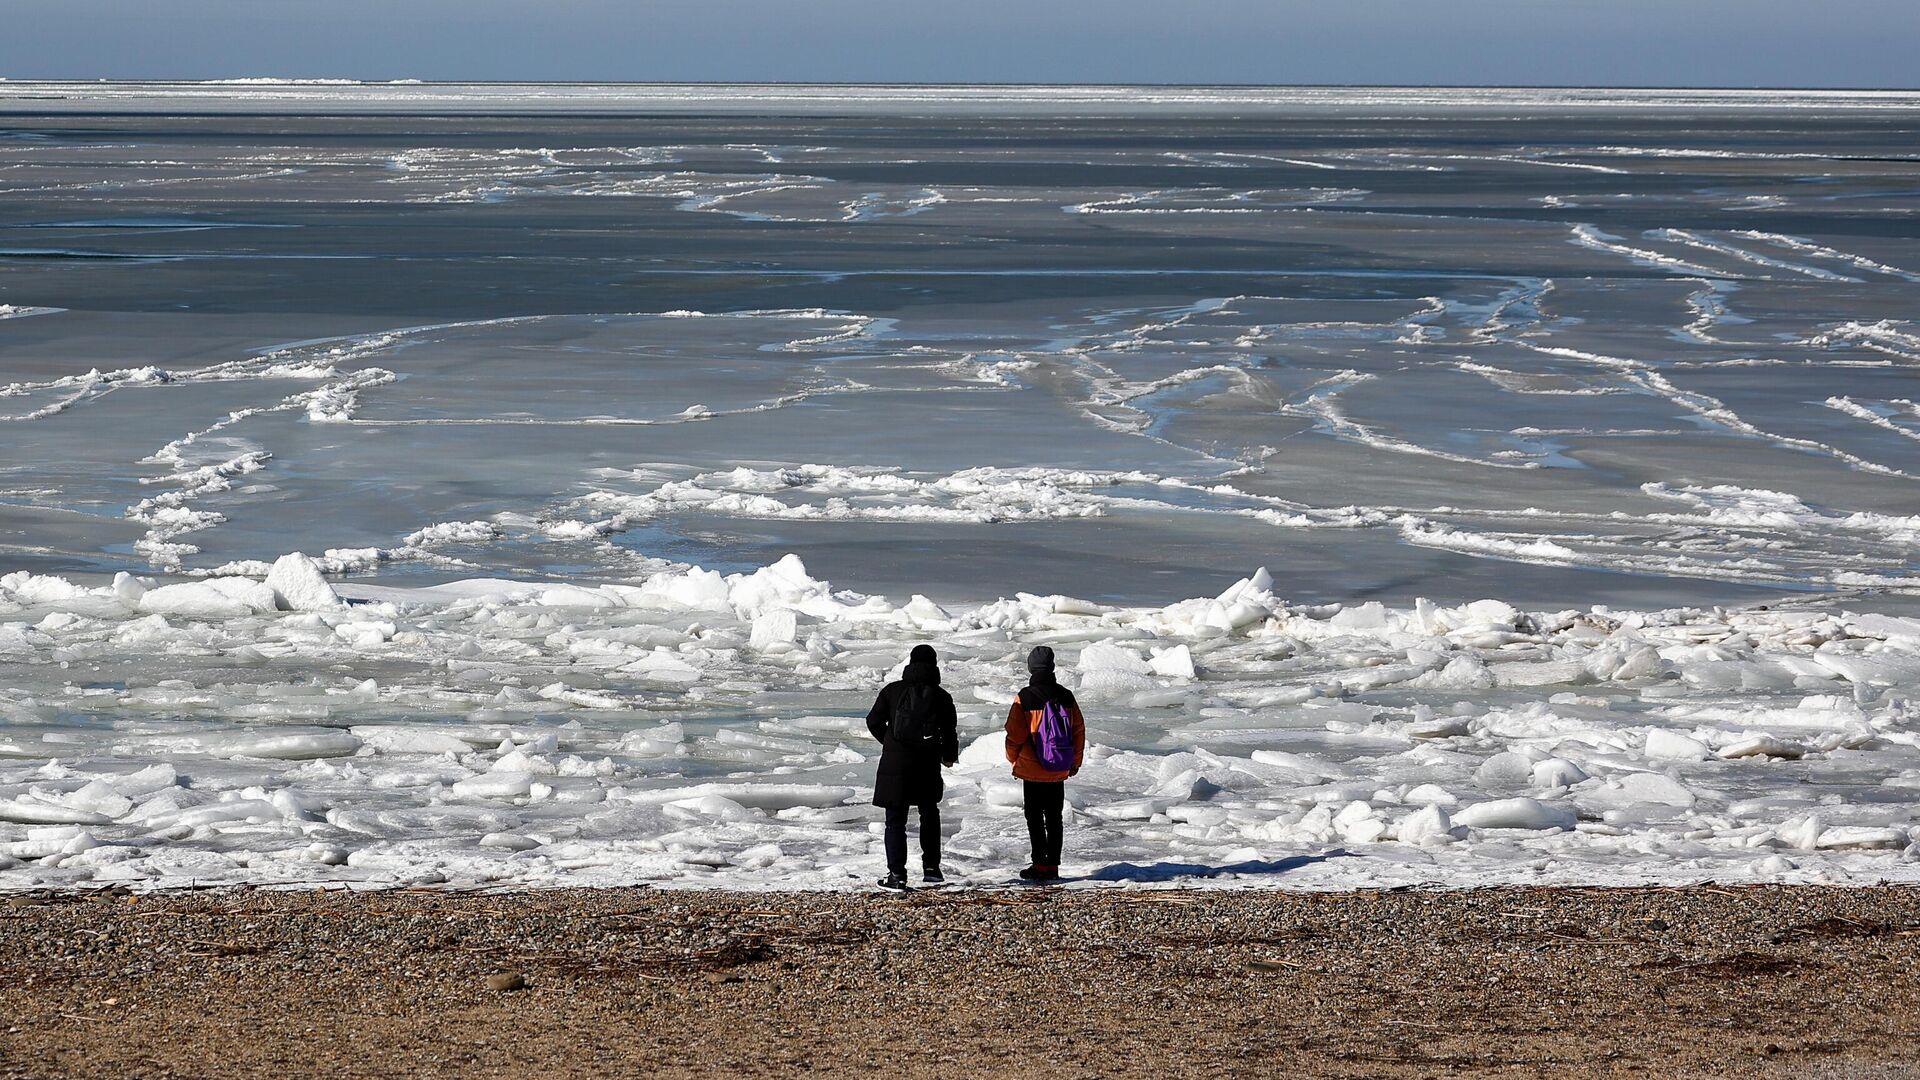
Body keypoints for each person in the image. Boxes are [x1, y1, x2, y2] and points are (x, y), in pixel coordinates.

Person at [866, 644, 959, 891]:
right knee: (929, 814)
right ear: (934, 665)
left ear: (910, 663)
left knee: (895, 819)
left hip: (895, 762)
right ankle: (932, 870)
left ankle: (897, 874)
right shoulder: (941, 696)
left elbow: (873, 720)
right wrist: (948, 756)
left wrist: (889, 740)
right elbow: (949, 732)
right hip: (927, 763)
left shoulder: (892, 691)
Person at [1004, 645, 1086, 881]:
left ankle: (1039, 863)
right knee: (1054, 817)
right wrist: (1074, 762)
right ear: (1052, 667)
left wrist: (1013, 759)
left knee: (1034, 816)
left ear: (1031, 668)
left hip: (1031, 770)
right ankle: (1053, 866)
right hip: (1059, 766)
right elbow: (1078, 731)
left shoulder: (1025, 697)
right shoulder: (1066, 696)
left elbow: (1015, 735)